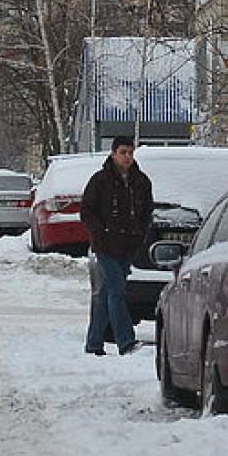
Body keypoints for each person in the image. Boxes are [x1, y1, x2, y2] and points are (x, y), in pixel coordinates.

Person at [80, 136, 153, 355]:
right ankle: (126, 341)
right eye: (123, 152)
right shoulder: (100, 181)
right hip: (105, 246)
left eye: (131, 152)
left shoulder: (141, 181)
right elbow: (86, 210)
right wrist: (100, 231)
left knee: (105, 294)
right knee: (117, 290)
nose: (127, 157)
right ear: (113, 154)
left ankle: (94, 343)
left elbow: (147, 211)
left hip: (128, 246)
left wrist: (140, 233)